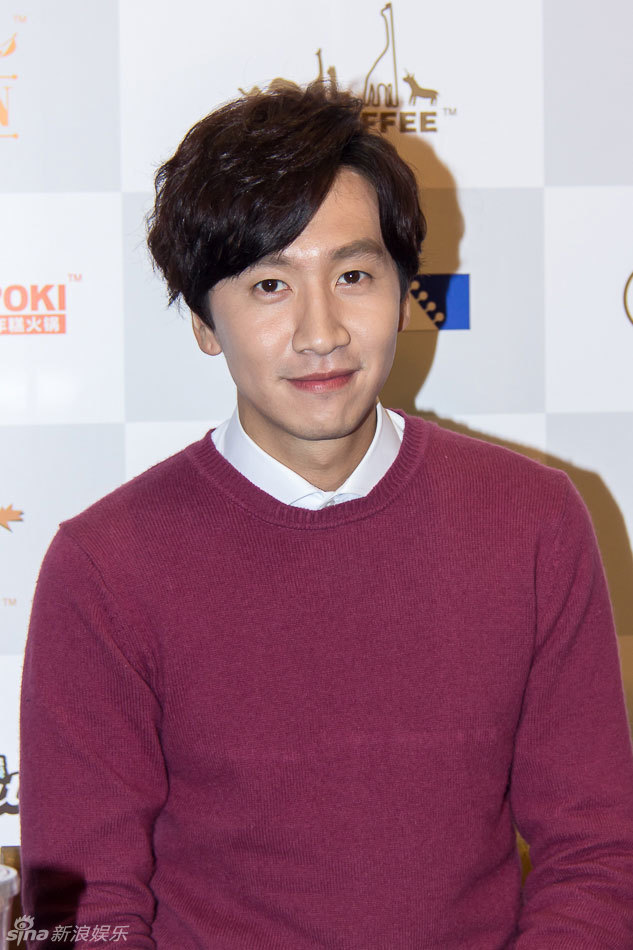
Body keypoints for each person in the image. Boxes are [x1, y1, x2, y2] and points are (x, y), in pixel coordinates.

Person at [20, 82, 633, 949]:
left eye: (352, 276)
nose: (321, 332)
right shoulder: (106, 566)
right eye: (270, 284)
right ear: (203, 320)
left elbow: (597, 853)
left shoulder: (531, 521)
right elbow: (78, 911)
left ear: (403, 290)